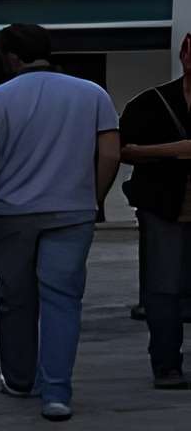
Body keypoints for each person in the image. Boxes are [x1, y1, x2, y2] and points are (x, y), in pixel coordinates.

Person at [0, 23, 120, 422]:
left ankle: (18, 379)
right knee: (62, 301)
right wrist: (94, 197)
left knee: (16, 300)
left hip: (12, 213)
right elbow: (109, 155)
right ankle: (56, 393)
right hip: (72, 211)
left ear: (11, 57)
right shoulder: (93, 94)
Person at [117, 30, 191, 390]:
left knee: (165, 288)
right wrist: (174, 149)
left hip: (165, 206)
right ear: (183, 56)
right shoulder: (152, 102)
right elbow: (125, 149)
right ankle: (166, 364)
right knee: (163, 290)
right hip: (164, 206)